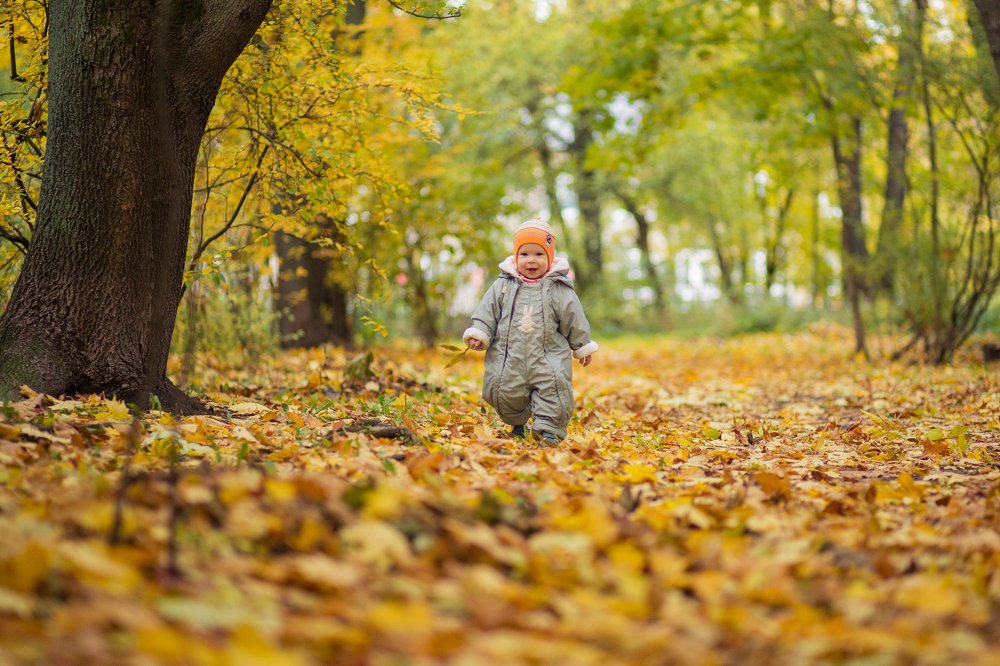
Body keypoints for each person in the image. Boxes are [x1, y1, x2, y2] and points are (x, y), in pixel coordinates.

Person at [463, 219, 598, 445]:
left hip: (548, 358)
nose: (531, 260)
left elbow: (573, 317)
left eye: (539, 254)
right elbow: (488, 311)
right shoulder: (503, 285)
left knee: (554, 391)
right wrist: (479, 332)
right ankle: (518, 424)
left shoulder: (558, 288)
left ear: (550, 257)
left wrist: (582, 345)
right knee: (506, 391)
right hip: (510, 357)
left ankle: (549, 433)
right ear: (516, 257)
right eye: (524, 254)